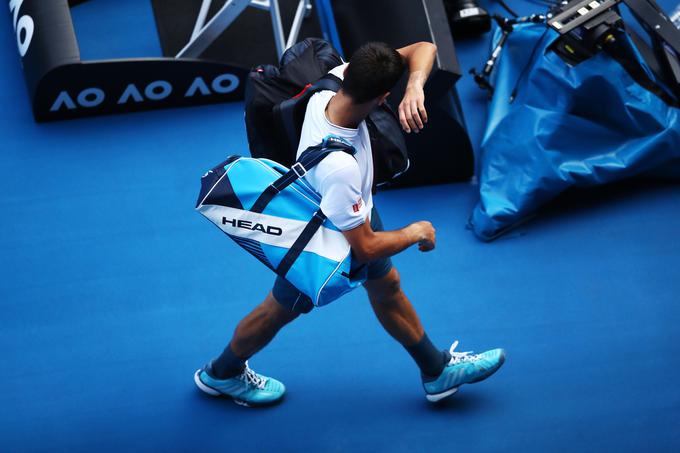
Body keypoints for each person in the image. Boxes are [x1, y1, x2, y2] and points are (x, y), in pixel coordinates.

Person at [194, 41, 505, 406]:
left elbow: (423, 47)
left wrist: (416, 85)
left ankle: (436, 370)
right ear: (383, 97)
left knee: (387, 285)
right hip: (326, 234)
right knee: (278, 310)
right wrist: (415, 231)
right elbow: (365, 246)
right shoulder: (340, 169)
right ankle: (222, 373)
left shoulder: (338, 77)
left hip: (352, 209)